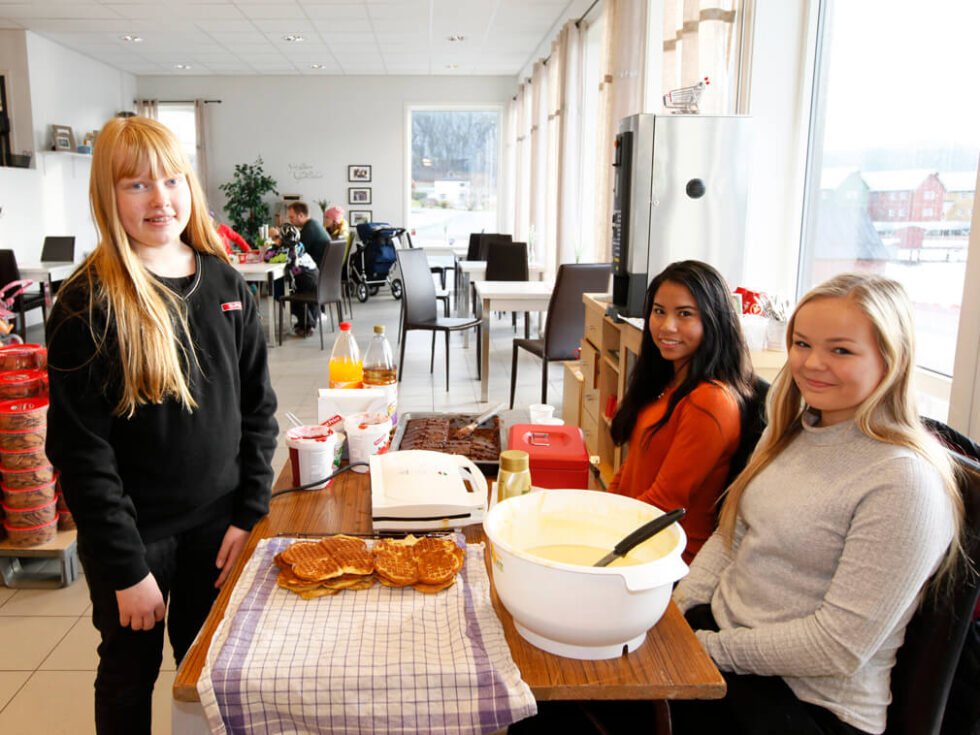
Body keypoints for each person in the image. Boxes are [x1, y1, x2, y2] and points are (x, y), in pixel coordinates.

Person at [44, 115, 278, 734]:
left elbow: (258, 409)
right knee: (128, 673)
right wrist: (126, 569)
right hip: (135, 537)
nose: (160, 198)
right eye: (136, 185)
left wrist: (248, 510)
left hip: (218, 530)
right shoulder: (87, 301)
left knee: (207, 672)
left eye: (172, 180)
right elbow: (81, 452)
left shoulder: (227, 283)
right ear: (107, 196)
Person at [670, 273, 963, 735]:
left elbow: (837, 647)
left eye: (840, 350)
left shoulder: (904, 481)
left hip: (806, 702)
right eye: (802, 344)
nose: (811, 364)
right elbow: (733, 536)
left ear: (892, 359)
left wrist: (703, 651)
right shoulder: (794, 426)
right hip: (726, 646)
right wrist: (678, 613)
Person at [608, 260, 753, 563]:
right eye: (659, 311)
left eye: (684, 314)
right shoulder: (669, 381)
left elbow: (664, 503)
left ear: (713, 321)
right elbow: (630, 470)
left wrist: (604, 536)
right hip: (635, 536)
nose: (666, 326)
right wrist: (601, 511)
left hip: (667, 556)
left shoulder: (710, 401)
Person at [264, 221, 319, 336]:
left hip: (305, 280)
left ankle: (306, 325)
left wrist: (274, 241)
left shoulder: (287, 252)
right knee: (289, 288)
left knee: (280, 290)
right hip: (315, 278)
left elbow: (268, 257)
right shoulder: (299, 246)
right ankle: (307, 323)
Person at [287, 200, 331, 265]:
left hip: (314, 268)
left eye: (292, 217)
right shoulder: (313, 224)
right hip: (321, 268)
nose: (290, 220)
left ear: (301, 215)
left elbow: (293, 252)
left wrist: (276, 237)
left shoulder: (309, 229)